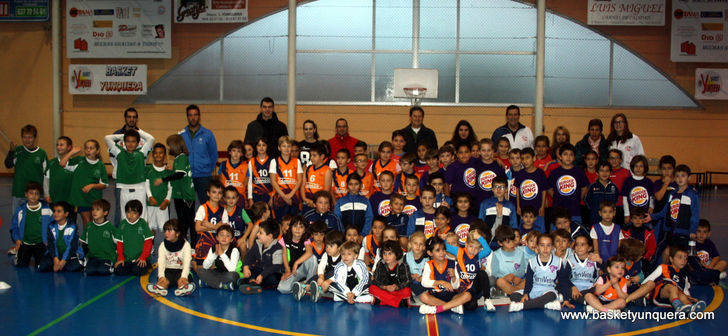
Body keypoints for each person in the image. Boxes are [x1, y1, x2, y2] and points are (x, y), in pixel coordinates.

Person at [104, 128, 155, 225]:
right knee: (125, 215)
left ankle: (143, 238)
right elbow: (107, 138)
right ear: (124, 142)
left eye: (133, 141)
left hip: (140, 188)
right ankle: (126, 238)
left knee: (142, 214)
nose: (130, 144)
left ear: (138, 143)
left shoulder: (142, 152)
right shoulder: (119, 152)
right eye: (127, 141)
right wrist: (123, 135)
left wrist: (138, 132)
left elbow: (151, 139)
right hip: (123, 189)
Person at [648, 164, 699, 261]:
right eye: (677, 176)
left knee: (683, 256)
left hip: (684, 232)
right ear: (674, 178)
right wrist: (652, 217)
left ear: (689, 178)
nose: (680, 179)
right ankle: (667, 273)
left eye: (683, 176)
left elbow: (695, 214)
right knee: (667, 253)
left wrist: (693, 230)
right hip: (672, 231)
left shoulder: (692, 194)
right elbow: (665, 211)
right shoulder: (672, 193)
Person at [508, 233, 567, 312]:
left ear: (553, 247)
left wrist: (566, 299)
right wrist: (526, 294)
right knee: (513, 295)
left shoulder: (558, 261)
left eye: (548, 245)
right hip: (534, 289)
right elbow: (529, 281)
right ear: (537, 247)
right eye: (542, 245)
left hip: (548, 290)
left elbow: (563, 281)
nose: (545, 248)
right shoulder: (532, 262)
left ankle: (523, 305)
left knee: (551, 296)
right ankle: (546, 304)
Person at [5, 125, 47, 235]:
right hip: (19, 192)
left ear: (35, 138)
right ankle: (19, 244)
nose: (27, 140)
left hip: (36, 194)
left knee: (36, 220)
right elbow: (8, 165)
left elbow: (47, 175)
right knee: (18, 220)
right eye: (24, 137)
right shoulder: (18, 151)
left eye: (30, 137)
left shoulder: (41, 153)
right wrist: (11, 151)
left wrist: (46, 193)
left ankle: (34, 243)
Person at [158, 135, 197, 246]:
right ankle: (183, 242)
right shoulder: (178, 158)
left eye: (169, 146)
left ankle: (193, 245)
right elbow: (179, 172)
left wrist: (163, 179)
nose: (168, 149)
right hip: (179, 195)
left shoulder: (182, 157)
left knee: (189, 221)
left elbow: (180, 174)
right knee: (182, 221)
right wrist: (172, 170)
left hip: (185, 196)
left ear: (175, 146)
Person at [643, 246, 706, 313]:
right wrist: (644, 294)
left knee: (683, 296)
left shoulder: (684, 276)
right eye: (680, 257)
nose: (683, 260)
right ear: (671, 259)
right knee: (673, 288)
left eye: (686, 258)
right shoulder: (663, 268)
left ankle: (691, 308)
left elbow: (685, 290)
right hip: (658, 296)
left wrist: (689, 297)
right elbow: (646, 281)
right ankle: (678, 307)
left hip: (671, 299)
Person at [444, 229, 494, 311]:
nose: (473, 250)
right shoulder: (459, 251)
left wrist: (479, 237)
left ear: (480, 249)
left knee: (482, 273)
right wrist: (444, 238)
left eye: (477, 248)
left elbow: (488, 250)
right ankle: (458, 303)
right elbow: (445, 246)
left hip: (474, 288)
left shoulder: (478, 255)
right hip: (461, 289)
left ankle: (487, 299)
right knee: (472, 306)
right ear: (466, 244)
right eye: (471, 246)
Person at [180, 104, 218, 205]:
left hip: (204, 177)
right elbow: (178, 156)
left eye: (195, 115)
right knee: (188, 206)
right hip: (187, 177)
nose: (193, 118)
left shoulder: (208, 134)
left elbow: (214, 155)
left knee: (206, 205)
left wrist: (207, 171)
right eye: (190, 115)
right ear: (187, 117)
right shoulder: (181, 135)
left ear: (199, 116)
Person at [147, 219, 196, 297]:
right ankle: (160, 288)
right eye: (165, 231)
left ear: (177, 233)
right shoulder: (163, 245)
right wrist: (161, 276)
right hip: (168, 270)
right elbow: (161, 262)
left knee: (182, 281)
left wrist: (184, 276)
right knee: (163, 281)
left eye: (169, 231)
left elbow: (187, 263)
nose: (166, 233)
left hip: (181, 270)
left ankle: (182, 288)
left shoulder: (186, 245)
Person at [65, 140, 109, 228]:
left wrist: (92, 185)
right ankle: (86, 241)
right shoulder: (79, 161)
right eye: (86, 148)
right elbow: (62, 163)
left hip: (94, 198)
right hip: (81, 199)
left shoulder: (100, 165)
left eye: (91, 148)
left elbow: (104, 184)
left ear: (97, 150)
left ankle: (90, 239)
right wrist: (71, 153)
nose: (88, 150)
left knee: (93, 222)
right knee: (87, 221)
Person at [10, 182, 52, 267]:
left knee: (43, 266)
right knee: (21, 265)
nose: (34, 196)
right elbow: (14, 227)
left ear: (40, 195)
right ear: (26, 194)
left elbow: (53, 226)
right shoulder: (21, 210)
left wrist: (49, 239)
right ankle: (19, 254)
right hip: (25, 243)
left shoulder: (46, 210)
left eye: (37, 194)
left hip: (41, 243)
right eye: (31, 193)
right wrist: (17, 239)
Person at [239, 218, 284, 294]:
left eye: (260, 233)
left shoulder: (278, 248)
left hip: (271, 273)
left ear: (269, 236)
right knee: (250, 270)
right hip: (260, 270)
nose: (257, 234)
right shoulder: (258, 243)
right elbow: (249, 256)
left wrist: (262, 275)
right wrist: (246, 267)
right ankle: (253, 283)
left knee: (273, 279)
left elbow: (276, 267)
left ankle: (252, 283)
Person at [547, 144, 589, 225]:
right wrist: (556, 196)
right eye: (565, 154)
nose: (568, 157)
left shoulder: (579, 172)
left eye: (571, 155)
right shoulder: (554, 172)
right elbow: (549, 188)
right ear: (560, 156)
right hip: (558, 211)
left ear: (574, 157)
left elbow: (584, 188)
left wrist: (578, 198)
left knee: (575, 235)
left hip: (574, 211)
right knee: (556, 235)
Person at [38, 201, 84, 272]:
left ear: (66, 214)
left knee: (74, 267)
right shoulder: (51, 226)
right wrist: (55, 259)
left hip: (69, 254)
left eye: (59, 211)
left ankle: (62, 265)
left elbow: (72, 246)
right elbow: (51, 244)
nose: (55, 213)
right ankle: (58, 264)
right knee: (42, 267)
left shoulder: (72, 226)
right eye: (54, 211)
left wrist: (63, 261)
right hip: (56, 254)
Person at [43, 136, 79, 223]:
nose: (58, 147)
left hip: (70, 201)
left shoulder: (75, 163)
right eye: (57, 145)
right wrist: (47, 194)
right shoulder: (51, 163)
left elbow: (78, 182)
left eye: (62, 145)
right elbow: (46, 180)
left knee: (70, 224)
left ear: (69, 147)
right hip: (55, 200)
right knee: (54, 224)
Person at [193, 180, 229, 266]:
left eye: (220, 193)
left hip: (218, 241)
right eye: (214, 192)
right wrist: (215, 227)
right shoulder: (203, 208)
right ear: (208, 193)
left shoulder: (223, 210)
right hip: (204, 240)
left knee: (217, 267)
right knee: (201, 269)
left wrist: (210, 226)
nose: (217, 195)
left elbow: (226, 229)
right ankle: (194, 262)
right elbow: (197, 228)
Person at [114, 200, 154, 276]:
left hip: (140, 258)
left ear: (139, 214)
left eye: (134, 213)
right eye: (128, 212)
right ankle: (131, 266)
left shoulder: (142, 223)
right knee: (118, 270)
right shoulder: (123, 224)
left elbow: (148, 243)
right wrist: (121, 258)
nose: (130, 215)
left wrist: (143, 257)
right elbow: (119, 243)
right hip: (127, 259)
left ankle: (146, 264)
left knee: (137, 270)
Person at [559, 235, 599, 308]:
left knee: (600, 288)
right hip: (574, 288)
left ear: (589, 248)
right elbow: (564, 278)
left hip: (589, 288)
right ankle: (589, 303)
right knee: (561, 285)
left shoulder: (594, 259)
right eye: (577, 244)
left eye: (583, 244)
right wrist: (573, 287)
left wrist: (601, 261)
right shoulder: (570, 260)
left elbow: (605, 270)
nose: (579, 247)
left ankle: (588, 302)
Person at [197, 224, 241, 291]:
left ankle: (208, 283)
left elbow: (232, 269)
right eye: (221, 235)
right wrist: (214, 254)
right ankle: (222, 285)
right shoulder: (214, 248)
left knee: (234, 276)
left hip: (228, 274)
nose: (224, 237)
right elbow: (205, 266)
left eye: (227, 236)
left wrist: (222, 254)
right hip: (216, 273)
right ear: (217, 237)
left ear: (231, 239)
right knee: (200, 271)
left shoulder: (234, 250)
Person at [80, 199, 117, 276]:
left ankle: (111, 266)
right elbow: (84, 244)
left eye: (97, 209)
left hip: (107, 257)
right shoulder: (89, 226)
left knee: (102, 271)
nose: (94, 212)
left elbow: (118, 244)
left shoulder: (110, 228)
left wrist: (115, 258)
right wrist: (86, 257)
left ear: (105, 213)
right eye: (93, 209)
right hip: (93, 257)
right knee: (89, 271)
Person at [269, 136, 304, 218]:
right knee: (280, 222)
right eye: (284, 146)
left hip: (293, 197)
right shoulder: (274, 161)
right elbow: (273, 181)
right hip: (279, 197)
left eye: (288, 146)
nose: (286, 148)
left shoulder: (297, 161)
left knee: (293, 222)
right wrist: (284, 196)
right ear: (279, 147)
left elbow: (299, 180)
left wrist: (290, 195)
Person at [370, 240, 412, 308]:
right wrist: (385, 287)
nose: (386, 256)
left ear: (396, 254)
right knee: (372, 288)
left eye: (390, 253)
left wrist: (397, 287)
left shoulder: (402, 264)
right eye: (384, 253)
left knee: (407, 291)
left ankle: (383, 301)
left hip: (397, 291)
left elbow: (407, 281)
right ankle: (398, 302)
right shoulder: (380, 263)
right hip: (384, 290)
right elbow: (375, 280)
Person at [515, 148, 547, 233]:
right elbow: (517, 190)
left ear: (534, 158)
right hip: (524, 209)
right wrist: (518, 206)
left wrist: (542, 206)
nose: (525, 161)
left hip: (537, 208)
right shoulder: (520, 173)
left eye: (527, 157)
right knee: (523, 233)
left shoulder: (540, 173)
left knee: (540, 232)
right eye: (522, 158)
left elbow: (544, 190)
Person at [145, 143, 172, 242]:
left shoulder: (168, 171)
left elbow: (170, 188)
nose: (158, 155)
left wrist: (167, 200)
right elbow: (146, 185)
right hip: (151, 203)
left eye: (161, 153)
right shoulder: (148, 169)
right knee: (150, 227)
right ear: (152, 155)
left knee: (165, 228)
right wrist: (150, 197)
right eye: (155, 153)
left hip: (162, 204)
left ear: (164, 155)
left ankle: (167, 247)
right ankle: (150, 246)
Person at [491, 225, 528, 297]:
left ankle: (512, 291)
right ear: (500, 243)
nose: (512, 244)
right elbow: (494, 273)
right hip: (503, 281)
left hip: (516, 280)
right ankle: (517, 291)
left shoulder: (520, 253)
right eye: (508, 242)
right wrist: (505, 278)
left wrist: (514, 276)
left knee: (529, 280)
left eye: (513, 240)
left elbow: (522, 270)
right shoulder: (496, 254)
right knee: (499, 282)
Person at [309, 230, 345, 302]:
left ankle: (316, 289)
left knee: (334, 275)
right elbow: (321, 266)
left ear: (340, 247)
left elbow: (340, 274)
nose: (327, 249)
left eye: (331, 246)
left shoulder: (343, 257)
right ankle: (306, 287)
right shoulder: (326, 255)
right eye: (327, 245)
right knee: (315, 277)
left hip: (337, 279)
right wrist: (321, 277)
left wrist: (328, 281)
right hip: (327, 278)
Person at [584, 161, 619, 228]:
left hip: (610, 220)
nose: (604, 173)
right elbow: (587, 200)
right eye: (601, 171)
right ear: (597, 172)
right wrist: (594, 211)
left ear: (610, 173)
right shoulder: (593, 187)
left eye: (607, 171)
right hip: (595, 219)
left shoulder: (613, 187)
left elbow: (615, 200)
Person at [621, 155, 654, 225]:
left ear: (645, 168)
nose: (638, 168)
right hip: (632, 216)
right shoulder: (628, 181)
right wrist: (626, 214)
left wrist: (651, 207)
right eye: (636, 166)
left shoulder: (648, 182)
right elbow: (624, 199)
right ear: (632, 167)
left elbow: (651, 197)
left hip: (644, 216)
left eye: (641, 166)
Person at [300, 144, 332, 214]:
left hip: (319, 204)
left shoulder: (327, 170)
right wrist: (305, 199)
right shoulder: (307, 169)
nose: (311, 158)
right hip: (307, 202)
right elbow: (302, 186)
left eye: (314, 155)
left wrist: (316, 203)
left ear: (322, 156)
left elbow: (326, 191)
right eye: (311, 155)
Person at [476, 139, 507, 207]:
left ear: (493, 151)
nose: (486, 153)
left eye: (489, 150)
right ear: (479, 152)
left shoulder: (498, 166)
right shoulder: (475, 164)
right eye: (483, 150)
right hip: (479, 202)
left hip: (496, 203)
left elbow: (504, 184)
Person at [218, 140, 248, 206]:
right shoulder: (223, 165)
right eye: (234, 150)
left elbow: (246, 184)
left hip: (239, 197)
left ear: (242, 154)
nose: (236, 153)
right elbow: (220, 183)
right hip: (226, 197)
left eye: (239, 151)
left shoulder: (246, 166)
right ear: (230, 152)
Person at [247, 138, 274, 207]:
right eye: (259, 145)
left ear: (267, 147)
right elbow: (250, 181)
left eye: (264, 145)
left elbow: (275, 181)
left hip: (268, 195)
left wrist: (273, 196)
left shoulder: (272, 161)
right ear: (256, 147)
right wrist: (250, 198)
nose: (261, 147)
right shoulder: (251, 161)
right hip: (256, 195)